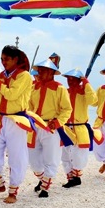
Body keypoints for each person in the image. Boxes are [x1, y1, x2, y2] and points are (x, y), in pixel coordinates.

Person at [0, 45, 32, 204]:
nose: (4, 62)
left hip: (16, 120)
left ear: (15, 59)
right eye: (2, 59)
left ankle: (13, 191)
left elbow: (12, 95)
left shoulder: (25, 76)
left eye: (7, 59)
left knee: (17, 156)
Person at [28, 60, 72, 199]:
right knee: (33, 159)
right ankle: (43, 179)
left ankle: (45, 188)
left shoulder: (60, 89)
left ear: (52, 72)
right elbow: (28, 106)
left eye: (44, 70)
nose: (40, 72)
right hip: (35, 126)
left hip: (51, 128)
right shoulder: (33, 87)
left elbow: (67, 109)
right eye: (39, 70)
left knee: (51, 158)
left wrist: (58, 122)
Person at [60, 68, 98, 188]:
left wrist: (86, 83)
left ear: (78, 80)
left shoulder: (84, 92)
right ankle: (70, 177)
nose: (70, 81)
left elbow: (93, 100)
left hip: (80, 126)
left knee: (79, 153)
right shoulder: (65, 92)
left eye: (72, 79)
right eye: (68, 79)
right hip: (65, 127)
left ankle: (77, 177)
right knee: (65, 153)